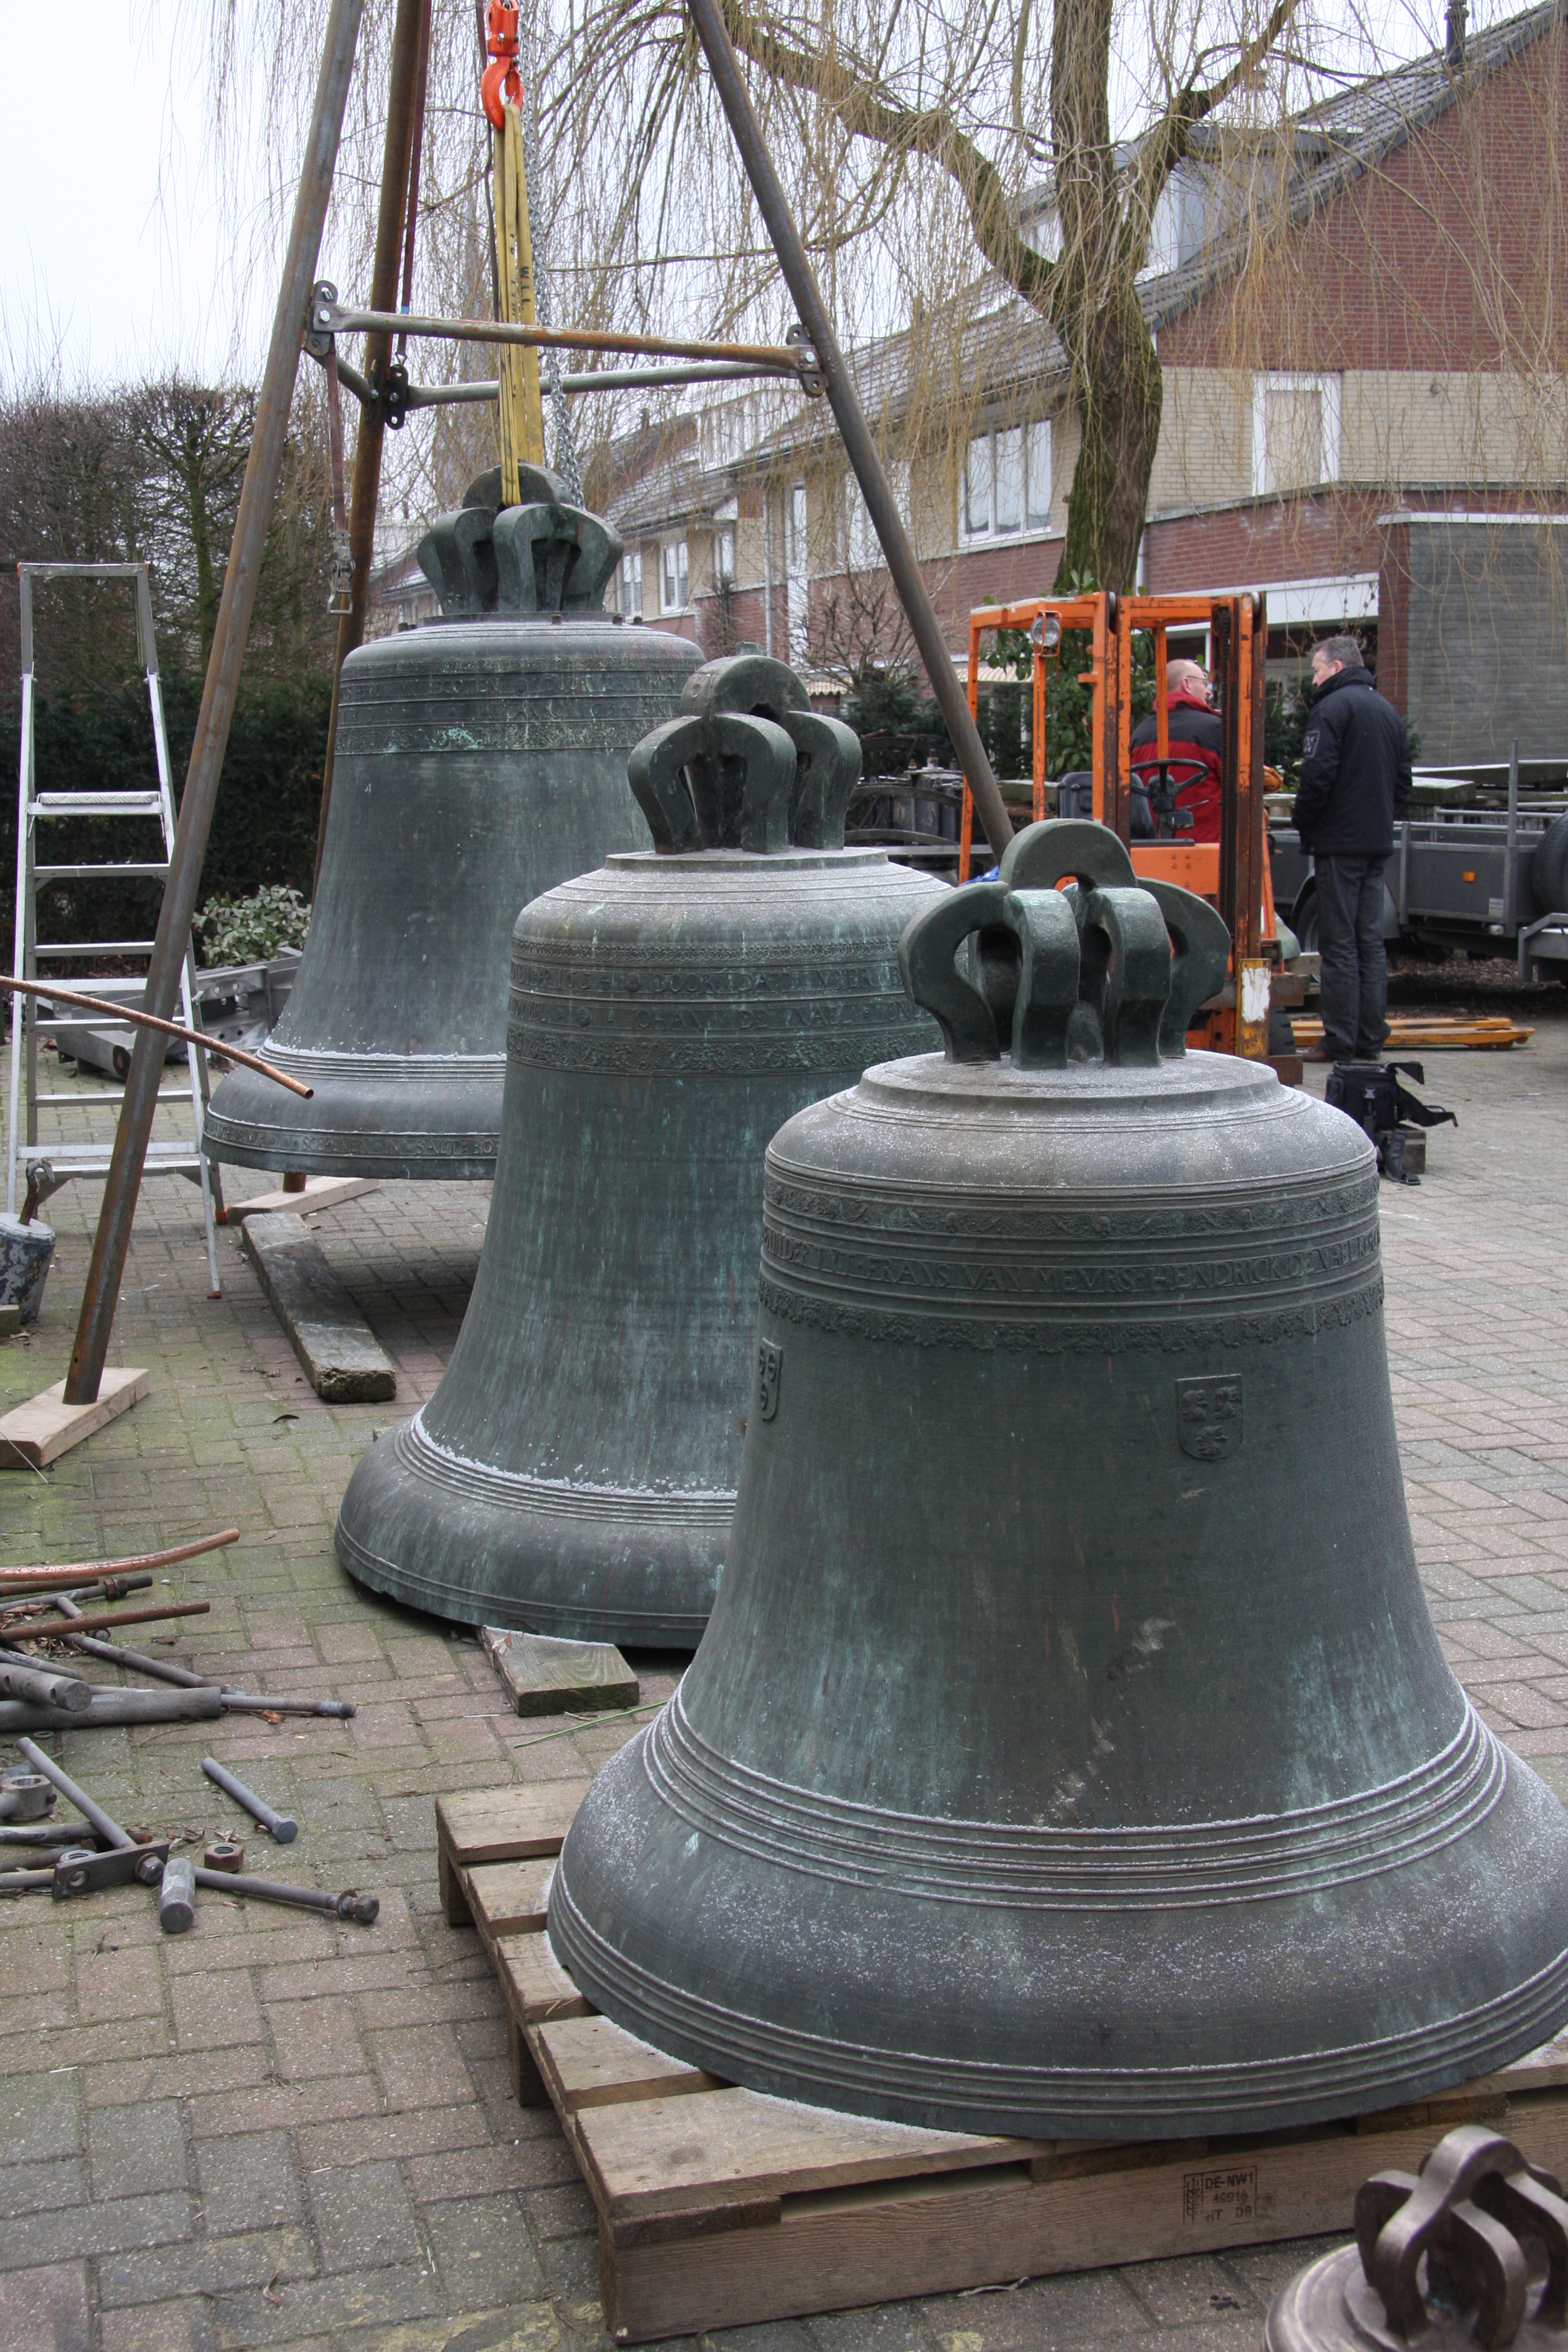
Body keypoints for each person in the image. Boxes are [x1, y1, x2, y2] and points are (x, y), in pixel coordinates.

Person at [1292, 635, 1413, 1065]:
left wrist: (1303, 819)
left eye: (1318, 670)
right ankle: (1370, 1037)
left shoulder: (1332, 709)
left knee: (1339, 943)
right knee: (1370, 942)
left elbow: (1318, 774)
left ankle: (1340, 1039)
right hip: (1376, 841)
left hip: (1339, 844)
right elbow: (1403, 782)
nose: (1315, 679)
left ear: (1337, 669)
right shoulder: (1387, 711)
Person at [1129, 658, 1223, 843]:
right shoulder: (1214, 729)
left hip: (1153, 850)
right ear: (1186, 684)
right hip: (1209, 853)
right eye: (1204, 683)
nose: (1208, 691)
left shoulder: (1138, 735)